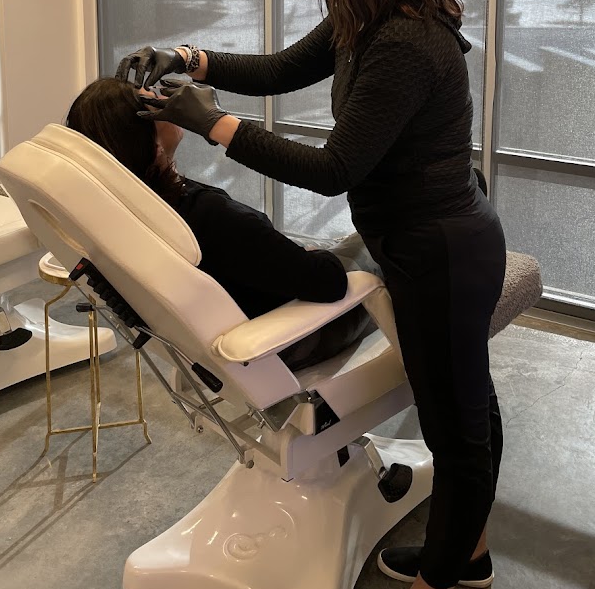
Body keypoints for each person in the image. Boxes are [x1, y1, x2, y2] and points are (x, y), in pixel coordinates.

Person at [118, 0, 507, 589]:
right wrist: (191, 59)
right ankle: (467, 552)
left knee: (457, 427)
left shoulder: (405, 39)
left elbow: (334, 170)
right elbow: (282, 68)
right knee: (464, 409)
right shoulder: (366, 15)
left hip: (441, 252)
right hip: (410, 238)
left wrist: (213, 124)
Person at [66, 77, 377, 373]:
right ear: (151, 143)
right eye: (156, 104)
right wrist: (309, 257)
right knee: (384, 240)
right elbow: (329, 282)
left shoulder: (127, 213)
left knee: (341, 242)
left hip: (227, 335)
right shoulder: (208, 216)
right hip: (291, 338)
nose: (166, 101)